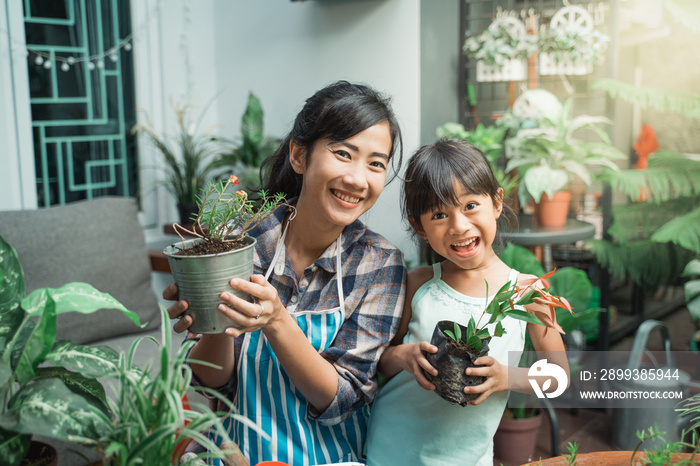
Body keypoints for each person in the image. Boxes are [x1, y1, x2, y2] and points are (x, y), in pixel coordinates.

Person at [164, 80, 406, 466]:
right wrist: (214, 318)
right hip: (237, 456)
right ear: (298, 155)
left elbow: (341, 399)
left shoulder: (379, 263)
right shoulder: (242, 243)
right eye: (343, 153)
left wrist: (276, 320)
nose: (359, 179)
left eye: (376, 163)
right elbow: (214, 383)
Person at [364, 138, 568, 466]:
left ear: (497, 202)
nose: (459, 226)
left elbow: (559, 378)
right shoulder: (419, 284)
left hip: (466, 458)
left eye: (471, 205)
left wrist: (506, 377)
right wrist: (402, 356)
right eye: (440, 214)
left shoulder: (529, 292)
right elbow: (380, 362)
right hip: (389, 449)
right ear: (420, 227)